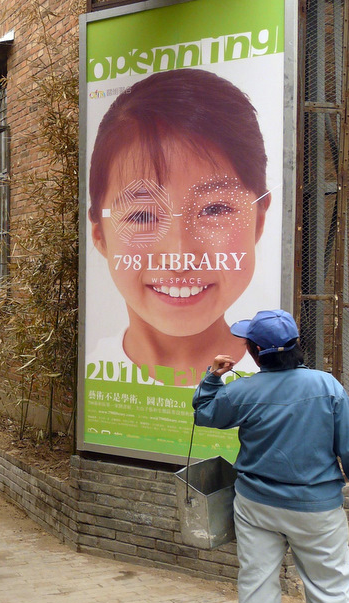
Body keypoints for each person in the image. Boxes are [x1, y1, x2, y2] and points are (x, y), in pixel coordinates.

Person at [192, 309, 349, 603]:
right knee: (330, 592)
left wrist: (213, 376)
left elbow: (206, 414)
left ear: (255, 353)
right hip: (318, 508)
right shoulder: (327, 386)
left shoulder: (241, 391)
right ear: (296, 346)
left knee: (257, 585)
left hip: (256, 504)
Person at [88, 68, 272, 386]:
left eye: (214, 209)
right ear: (100, 235)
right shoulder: (94, 376)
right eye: (142, 216)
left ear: (258, 219)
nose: (179, 256)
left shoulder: (280, 393)